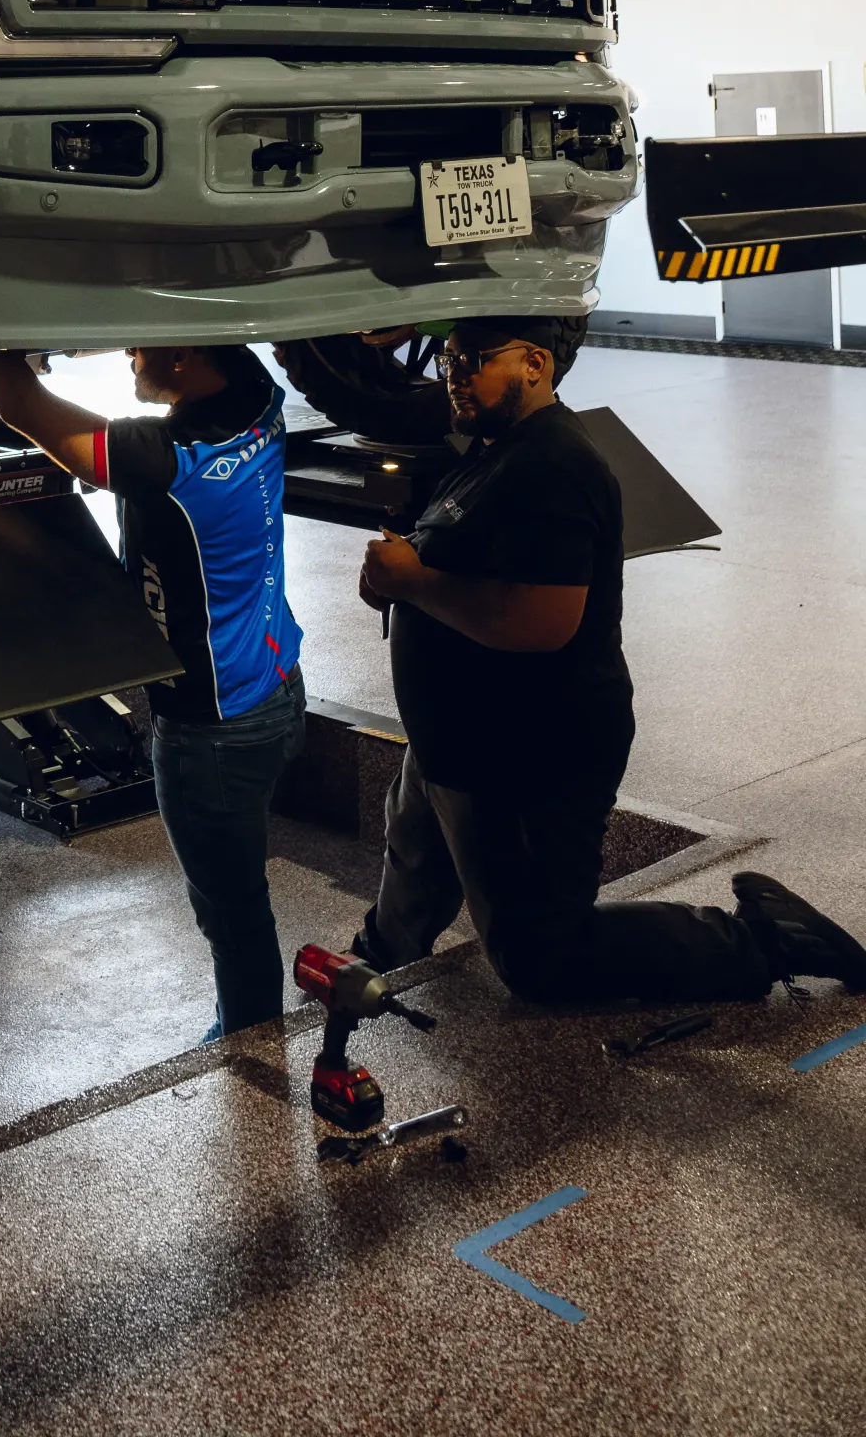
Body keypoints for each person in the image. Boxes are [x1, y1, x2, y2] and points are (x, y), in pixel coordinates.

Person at [356, 314, 866, 1003]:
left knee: (543, 957)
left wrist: (410, 582)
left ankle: (763, 940)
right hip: (458, 739)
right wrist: (399, 580)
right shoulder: (492, 447)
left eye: (474, 359)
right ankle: (373, 964)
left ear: (535, 364)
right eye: (449, 360)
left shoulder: (555, 464)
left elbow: (542, 623)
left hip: (530, 754)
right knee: (416, 861)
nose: (455, 376)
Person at [0, 342, 306, 1039]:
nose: (128, 357)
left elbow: (26, 409)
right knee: (242, 879)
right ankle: (248, 1018)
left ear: (185, 360)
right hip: (279, 689)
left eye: (141, 348)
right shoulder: (261, 400)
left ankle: (249, 1036)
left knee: (231, 905)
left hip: (210, 734)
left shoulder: (170, 463)